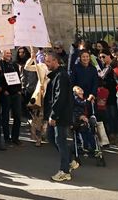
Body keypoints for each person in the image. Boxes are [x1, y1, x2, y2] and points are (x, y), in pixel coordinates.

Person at [43, 50, 73, 182]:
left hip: (60, 115)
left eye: (49, 61)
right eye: (46, 61)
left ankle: (65, 170)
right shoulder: (55, 75)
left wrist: (54, 116)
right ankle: (69, 161)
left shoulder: (61, 76)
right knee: (52, 137)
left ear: (56, 61)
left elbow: (59, 97)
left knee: (59, 140)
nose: (46, 64)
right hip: (56, 113)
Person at [22, 50, 49, 147]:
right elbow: (27, 67)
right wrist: (32, 58)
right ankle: (38, 138)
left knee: (48, 115)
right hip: (41, 93)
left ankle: (46, 134)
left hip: (51, 93)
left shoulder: (55, 67)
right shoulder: (41, 66)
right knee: (39, 115)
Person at [0, 49, 23, 146]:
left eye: (9, 53)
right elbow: (0, 79)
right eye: (7, 53)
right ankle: (6, 138)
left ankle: (15, 138)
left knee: (17, 116)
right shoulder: (0, 64)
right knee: (5, 117)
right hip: (6, 94)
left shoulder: (14, 64)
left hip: (16, 93)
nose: (9, 55)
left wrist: (19, 90)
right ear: (2, 54)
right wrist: (4, 90)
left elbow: (18, 77)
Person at [72, 86, 96, 155]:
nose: (80, 89)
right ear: (75, 92)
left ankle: (93, 147)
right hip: (77, 120)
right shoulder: (75, 99)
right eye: (78, 89)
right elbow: (83, 104)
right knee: (84, 130)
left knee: (91, 131)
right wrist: (89, 98)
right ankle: (85, 146)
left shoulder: (84, 99)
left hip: (85, 120)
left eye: (80, 88)